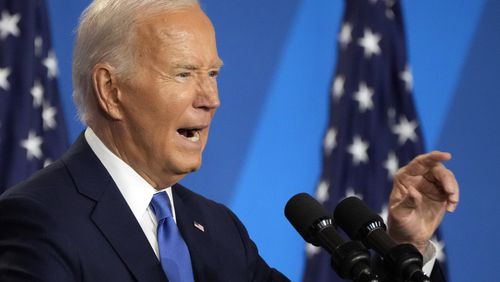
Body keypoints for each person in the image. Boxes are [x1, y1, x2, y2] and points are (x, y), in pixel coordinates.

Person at [0, 0, 459, 281]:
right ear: (111, 91)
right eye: (184, 73)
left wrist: (407, 247)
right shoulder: (37, 219)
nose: (211, 99)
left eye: (213, 74)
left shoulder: (218, 230)